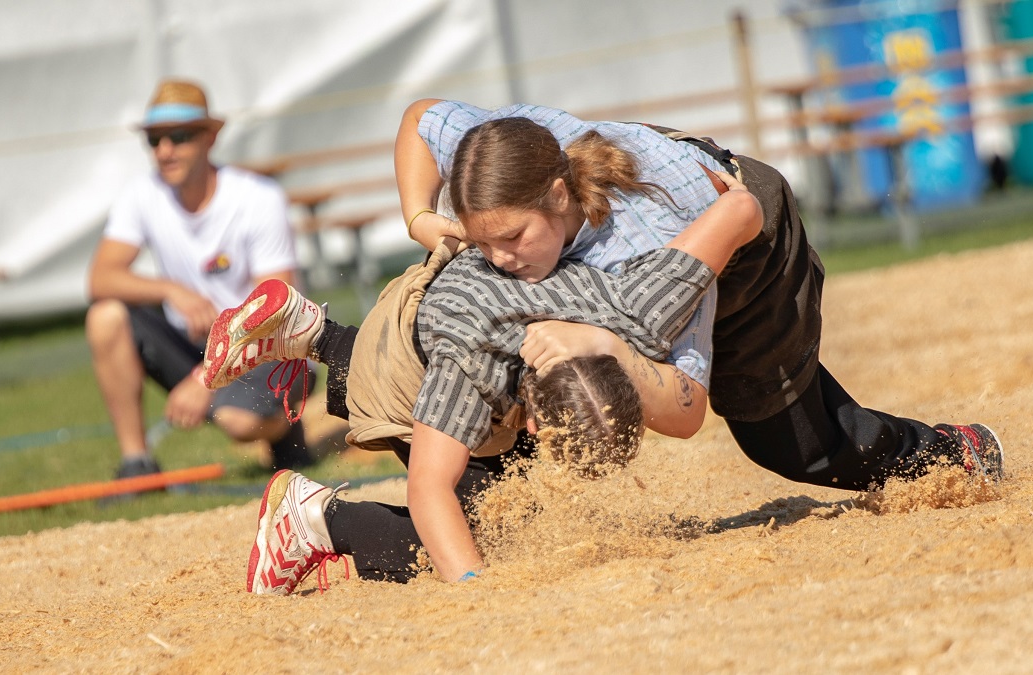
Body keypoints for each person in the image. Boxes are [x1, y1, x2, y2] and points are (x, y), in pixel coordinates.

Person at [388, 98, 1005, 582]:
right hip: (677, 234)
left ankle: (955, 453)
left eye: (513, 238)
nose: (493, 258)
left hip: (741, 239)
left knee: (790, 441)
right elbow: (421, 119)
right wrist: (419, 215)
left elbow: (685, 409)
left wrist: (609, 346)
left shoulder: (648, 241)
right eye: (481, 239)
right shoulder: (500, 153)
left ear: (557, 195)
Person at [204, 176, 760, 594]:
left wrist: (731, 197)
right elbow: (428, 488)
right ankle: (315, 520)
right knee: (484, 533)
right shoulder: (474, 373)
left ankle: (312, 331)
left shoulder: (623, 314)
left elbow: (739, 211)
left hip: (456, 286)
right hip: (414, 345)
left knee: (502, 499)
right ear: (534, 421)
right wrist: (477, 588)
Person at [85, 78, 315, 483]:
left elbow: (277, 306)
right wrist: (170, 289)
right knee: (105, 316)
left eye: (179, 136)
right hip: (196, 342)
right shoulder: (142, 195)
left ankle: (285, 428)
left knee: (238, 422)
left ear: (211, 137)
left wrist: (203, 376)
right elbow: (100, 278)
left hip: (264, 347)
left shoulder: (257, 197)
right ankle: (136, 465)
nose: (165, 150)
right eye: (154, 140)